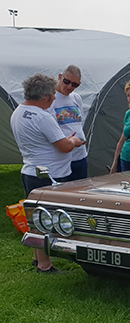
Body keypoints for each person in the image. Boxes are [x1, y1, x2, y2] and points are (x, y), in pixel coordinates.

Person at [10, 73, 84, 274]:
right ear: (45, 97)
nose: (54, 98)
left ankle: (38, 258)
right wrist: (74, 141)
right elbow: (64, 146)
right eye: (52, 94)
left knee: (35, 218)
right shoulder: (42, 117)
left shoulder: (19, 111)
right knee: (46, 219)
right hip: (49, 174)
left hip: (30, 170)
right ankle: (45, 265)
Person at [50, 65, 87, 180]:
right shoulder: (50, 99)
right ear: (60, 77)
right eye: (67, 82)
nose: (70, 87)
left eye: (75, 84)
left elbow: (79, 122)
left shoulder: (76, 98)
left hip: (80, 155)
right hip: (61, 157)